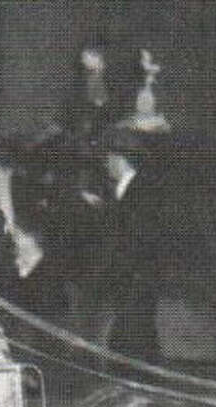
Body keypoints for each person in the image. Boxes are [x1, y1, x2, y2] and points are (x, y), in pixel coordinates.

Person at [91, 125, 168, 359]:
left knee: (132, 342)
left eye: (108, 157)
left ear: (120, 158)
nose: (105, 163)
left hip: (136, 281)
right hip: (131, 282)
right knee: (135, 341)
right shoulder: (129, 190)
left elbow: (136, 238)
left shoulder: (141, 192)